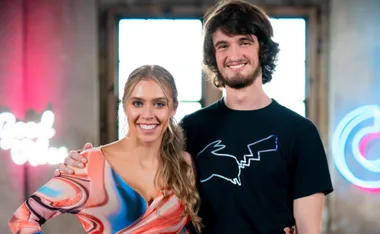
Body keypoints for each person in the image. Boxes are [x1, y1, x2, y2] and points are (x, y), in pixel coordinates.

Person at [57, 0, 334, 233]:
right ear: (213, 56)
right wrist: (87, 167)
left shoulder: (300, 132)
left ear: (262, 49)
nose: (233, 54)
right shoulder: (190, 129)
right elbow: (138, 175)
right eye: (223, 45)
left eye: (244, 42)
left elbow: (309, 229)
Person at [8, 65, 203, 234]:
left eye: (159, 104)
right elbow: (23, 219)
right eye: (137, 103)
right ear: (125, 106)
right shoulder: (87, 165)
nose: (148, 114)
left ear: (173, 108)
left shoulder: (184, 165)